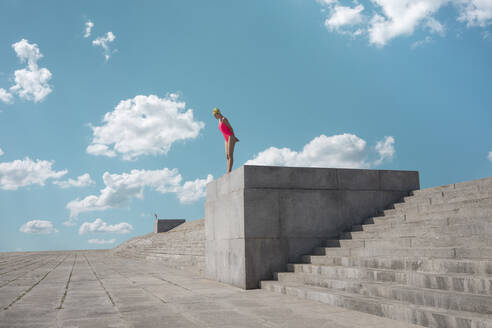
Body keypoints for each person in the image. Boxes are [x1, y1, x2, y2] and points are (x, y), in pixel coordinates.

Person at [213, 108, 239, 173]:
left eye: (215, 115)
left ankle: (229, 171)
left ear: (218, 113)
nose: (214, 116)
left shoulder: (224, 119)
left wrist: (234, 137)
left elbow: (230, 128)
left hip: (230, 136)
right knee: (227, 156)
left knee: (230, 154)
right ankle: (228, 170)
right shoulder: (219, 121)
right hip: (226, 138)